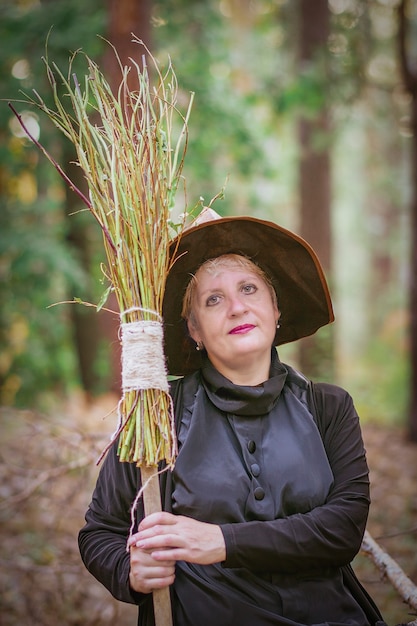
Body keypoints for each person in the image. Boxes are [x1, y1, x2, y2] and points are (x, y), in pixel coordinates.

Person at [78, 209, 386, 626]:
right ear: (195, 330)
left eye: (249, 289)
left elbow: (342, 529)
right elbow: (100, 532)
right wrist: (128, 571)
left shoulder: (329, 407)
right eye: (213, 299)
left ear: (276, 310)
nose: (237, 308)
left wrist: (221, 541)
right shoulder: (156, 416)